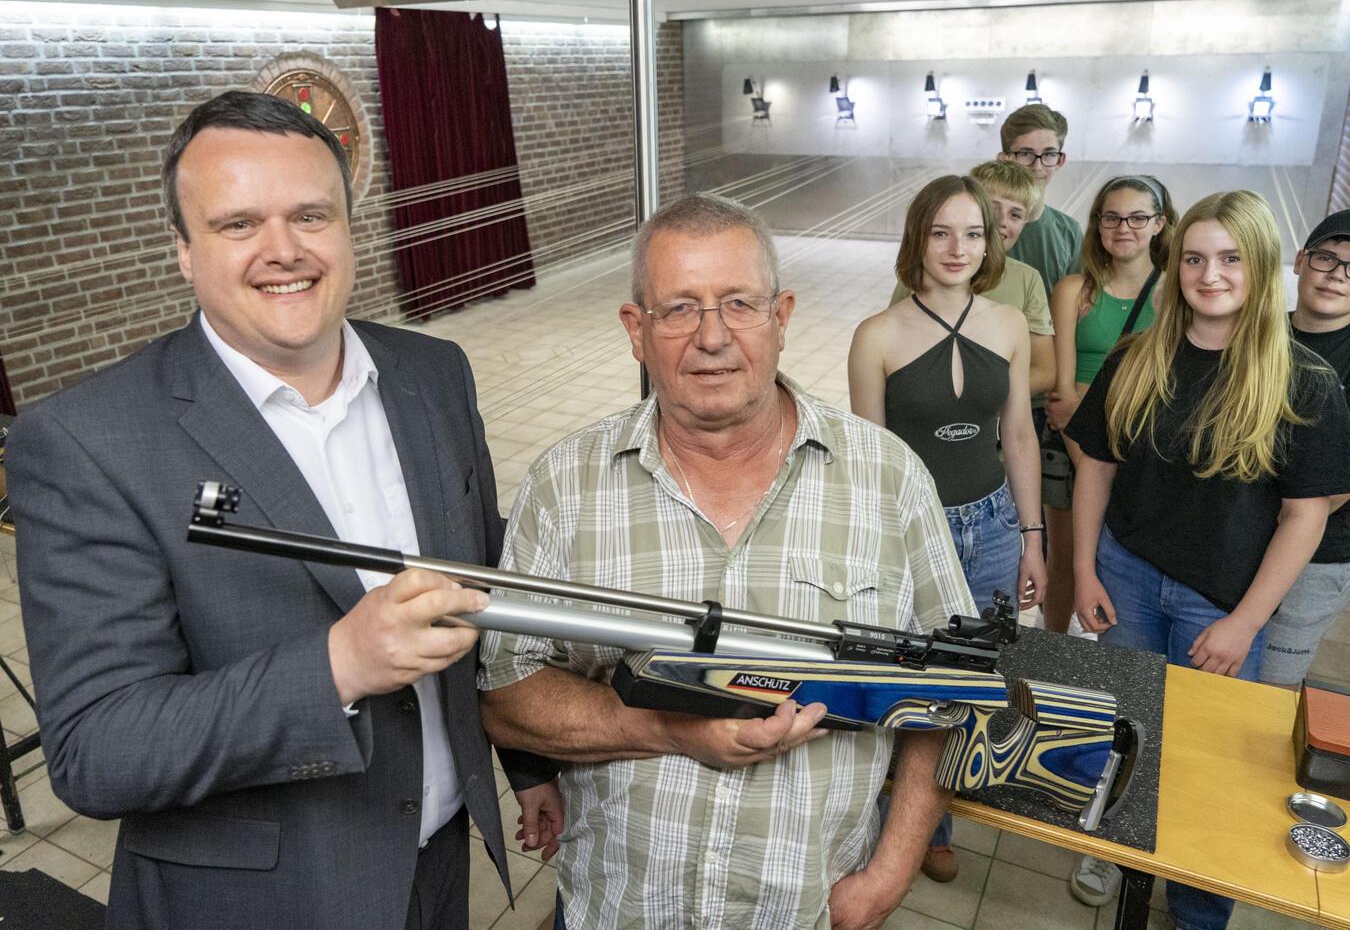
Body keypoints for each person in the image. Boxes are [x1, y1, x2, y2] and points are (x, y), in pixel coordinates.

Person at [6, 91, 561, 929]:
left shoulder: (434, 373)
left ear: (349, 225)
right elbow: (97, 749)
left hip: (442, 862)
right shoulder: (87, 441)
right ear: (184, 251)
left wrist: (524, 765)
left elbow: (481, 594)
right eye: (237, 225)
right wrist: (338, 663)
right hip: (258, 900)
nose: (284, 250)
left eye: (311, 214)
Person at [478, 193, 976, 930]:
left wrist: (888, 874)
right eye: (679, 308)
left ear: (781, 317)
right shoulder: (565, 482)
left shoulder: (888, 477)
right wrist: (671, 728)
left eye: (738, 303)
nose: (711, 337)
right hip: (618, 908)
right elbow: (506, 695)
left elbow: (958, 691)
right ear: (635, 331)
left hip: (806, 912)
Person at [1065, 191, 1350, 926]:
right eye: (1193, 257)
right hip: (1126, 571)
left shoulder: (1304, 379)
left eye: (1228, 258)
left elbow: (1304, 515)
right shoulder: (1139, 355)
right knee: (1129, 728)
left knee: (1214, 767)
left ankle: (1197, 909)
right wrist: (1089, 567)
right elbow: (1095, 462)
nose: (1209, 273)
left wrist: (1245, 624)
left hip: (1217, 602)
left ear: (1259, 268)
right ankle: (1124, 858)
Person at [850, 174, 1045, 884]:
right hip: (911, 531)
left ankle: (937, 817)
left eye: (972, 232)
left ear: (989, 242)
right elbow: (869, 463)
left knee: (969, 678)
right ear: (916, 240)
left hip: (992, 522)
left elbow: (1018, 436)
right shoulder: (876, 335)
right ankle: (884, 814)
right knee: (903, 677)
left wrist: (1032, 537)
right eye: (940, 232)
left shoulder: (1008, 323)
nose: (957, 247)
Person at [1042, 175, 1176, 633]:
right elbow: (1061, 396)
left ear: (1159, 223)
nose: (1125, 227)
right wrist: (1093, 464)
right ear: (1097, 224)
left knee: (1126, 565)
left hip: (1141, 445)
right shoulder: (1075, 290)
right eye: (1112, 217)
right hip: (1070, 440)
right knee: (1065, 560)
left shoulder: (1174, 296)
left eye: (1138, 217)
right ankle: (1050, 650)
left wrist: (1107, 467)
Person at [1261, 209, 1350, 687]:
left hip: (1318, 553)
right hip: (1236, 539)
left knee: (1267, 688)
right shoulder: (1258, 334)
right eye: (1327, 259)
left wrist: (1271, 525)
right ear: (1300, 261)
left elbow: (1339, 487)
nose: (1337, 276)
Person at [891, 160, 1055, 396]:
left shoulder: (1026, 279)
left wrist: (977, 401)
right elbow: (894, 345)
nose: (1002, 221)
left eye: (1016, 215)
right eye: (992, 208)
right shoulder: (925, 270)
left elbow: (1045, 371)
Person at [996, 103, 1084, 300]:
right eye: (1025, 154)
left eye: (1048, 154)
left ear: (1060, 161)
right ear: (1003, 159)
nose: (1037, 166)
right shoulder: (975, 226)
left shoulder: (1069, 233)